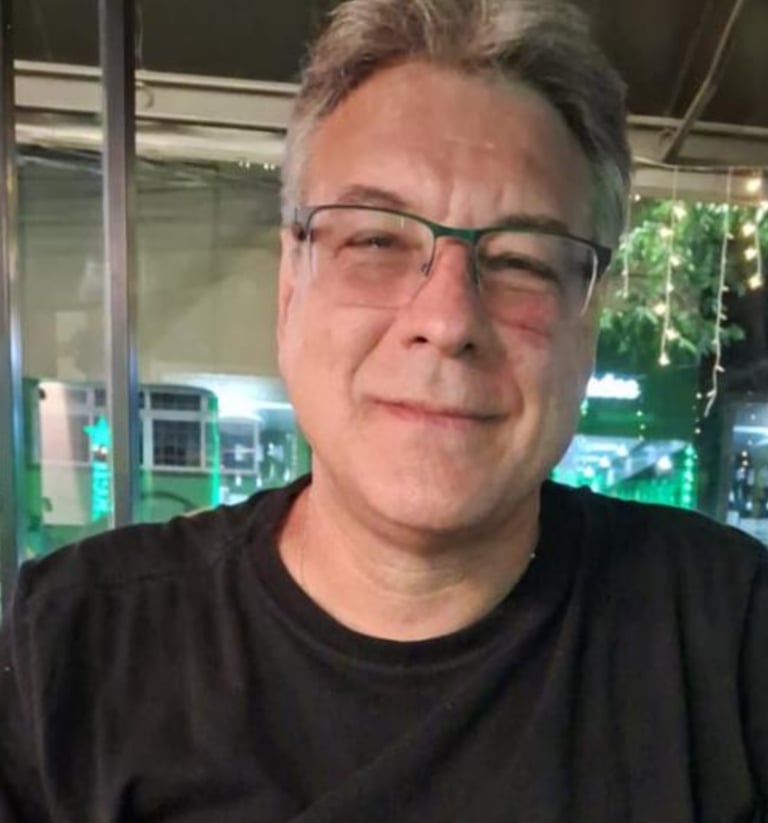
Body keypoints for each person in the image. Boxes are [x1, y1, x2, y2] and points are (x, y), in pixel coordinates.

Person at [1, 0, 767, 820]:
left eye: (523, 260)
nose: (447, 319)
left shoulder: (729, 639)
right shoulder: (72, 649)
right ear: (289, 287)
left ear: (590, 318)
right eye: (375, 240)